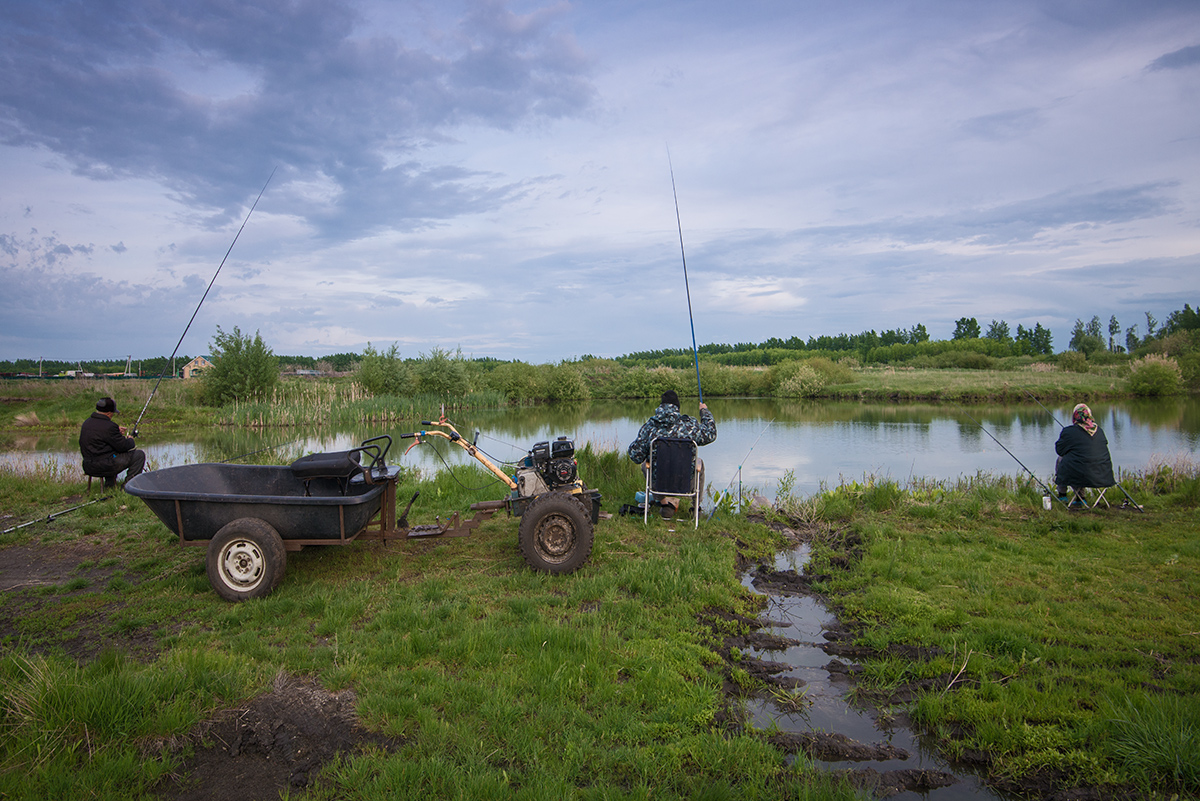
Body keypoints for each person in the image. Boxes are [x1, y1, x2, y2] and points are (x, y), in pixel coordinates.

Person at [628, 390, 717, 515]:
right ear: (677, 408)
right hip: (685, 483)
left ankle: (665, 504)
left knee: (645, 464)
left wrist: (643, 440)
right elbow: (711, 434)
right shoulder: (689, 426)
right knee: (699, 463)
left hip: (658, 484)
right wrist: (705, 412)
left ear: (660, 406)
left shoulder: (650, 427)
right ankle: (695, 508)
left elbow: (635, 456)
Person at [1054, 403, 1114, 508]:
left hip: (1080, 474)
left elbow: (1059, 450)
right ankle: (1081, 498)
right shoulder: (1099, 431)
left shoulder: (1069, 431)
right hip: (1103, 474)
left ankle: (1062, 494)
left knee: (1063, 460)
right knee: (1079, 461)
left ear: (1075, 416)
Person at [80, 397, 146, 488]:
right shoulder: (110, 427)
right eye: (112, 414)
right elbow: (124, 446)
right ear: (108, 413)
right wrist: (130, 439)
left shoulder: (86, 423)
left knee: (108, 453)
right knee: (139, 455)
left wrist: (116, 432)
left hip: (88, 466)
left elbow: (101, 435)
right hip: (104, 466)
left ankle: (110, 485)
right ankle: (128, 487)